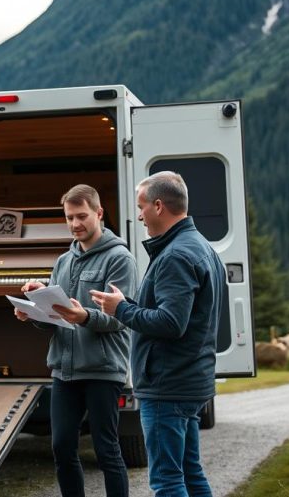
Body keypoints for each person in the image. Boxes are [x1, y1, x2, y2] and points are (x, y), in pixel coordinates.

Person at [90, 171, 227, 497]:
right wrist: (127, 304)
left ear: (159, 206)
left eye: (141, 207)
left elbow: (170, 323)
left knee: (167, 480)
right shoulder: (202, 247)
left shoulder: (176, 255)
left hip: (168, 385)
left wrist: (121, 309)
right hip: (190, 380)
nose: (138, 215)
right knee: (190, 472)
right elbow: (180, 316)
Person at [15, 184, 137, 497]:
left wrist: (84, 317)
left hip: (102, 369)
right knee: (61, 447)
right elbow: (56, 319)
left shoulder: (120, 259)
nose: (75, 224)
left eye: (81, 216)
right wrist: (34, 312)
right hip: (64, 371)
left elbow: (122, 317)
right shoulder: (63, 261)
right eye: (69, 217)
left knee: (106, 450)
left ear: (99, 213)